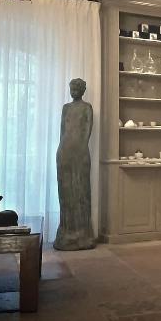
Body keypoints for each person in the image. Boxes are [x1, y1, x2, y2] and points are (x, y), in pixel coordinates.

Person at [55, 78, 95, 250]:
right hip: (64, 151)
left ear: (82, 90)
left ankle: (82, 233)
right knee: (65, 192)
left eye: (76, 89)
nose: (73, 92)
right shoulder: (66, 108)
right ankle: (66, 231)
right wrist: (60, 149)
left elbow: (87, 131)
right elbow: (62, 131)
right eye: (71, 89)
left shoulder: (87, 107)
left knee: (81, 191)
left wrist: (81, 149)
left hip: (80, 152)